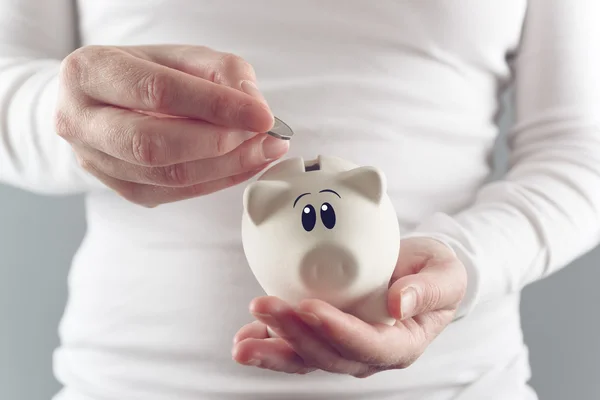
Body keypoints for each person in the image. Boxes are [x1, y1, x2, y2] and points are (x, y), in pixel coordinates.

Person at [1, 1, 598, 399]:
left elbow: (580, 149)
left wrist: (463, 261)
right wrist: (70, 119)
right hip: (130, 382)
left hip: (457, 385)